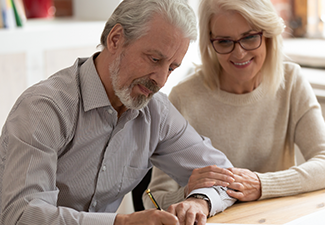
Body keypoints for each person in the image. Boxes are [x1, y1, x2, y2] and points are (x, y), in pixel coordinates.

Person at [0, 0, 238, 224]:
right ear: (115, 39)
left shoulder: (156, 112)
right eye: (154, 59)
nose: (162, 80)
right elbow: (21, 216)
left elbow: (227, 177)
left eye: (172, 68)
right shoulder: (44, 108)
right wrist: (121, 222)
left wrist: (200, 201)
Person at [143, 0, 325, 210]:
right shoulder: (184, 97)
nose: (239, 53)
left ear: (267, 35)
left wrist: (260, 185)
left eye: (249, 37)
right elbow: (153, 200)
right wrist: (188, 194)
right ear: (210, 42)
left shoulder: (291, 81)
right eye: (224, 42)